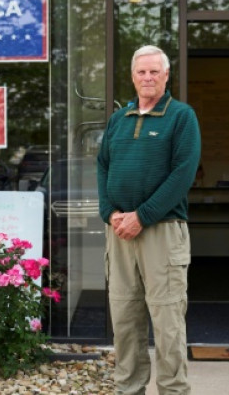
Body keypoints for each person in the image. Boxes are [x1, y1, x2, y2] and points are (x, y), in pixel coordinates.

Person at [97, 45, 201, 394]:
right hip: (119, 233)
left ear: (166, 75)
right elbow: (102, 166)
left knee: (168, 322)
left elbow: (183, 174)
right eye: (142, 72)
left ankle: (173, 390)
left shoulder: (182, 117)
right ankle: (129, 389)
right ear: (132, 76)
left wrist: (142, 216)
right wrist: (109, 212)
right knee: (125, 321)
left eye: (155, 71)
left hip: (162, 232)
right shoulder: (118, 120)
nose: (148, 77)